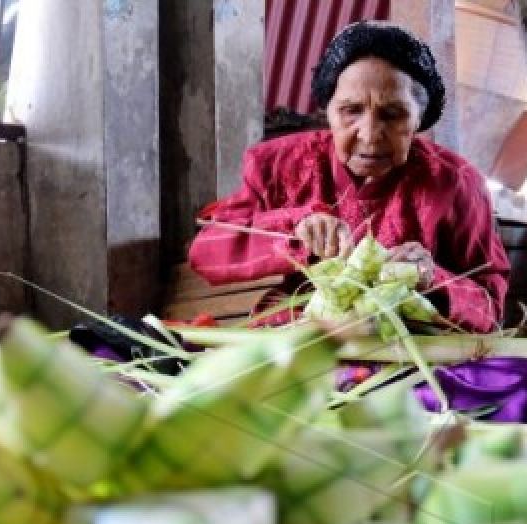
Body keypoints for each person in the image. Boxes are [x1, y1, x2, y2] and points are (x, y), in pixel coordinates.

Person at [188, 21, 509, 334]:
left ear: (418, 120)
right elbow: (207, 252)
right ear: (327, 111)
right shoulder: (276, 165)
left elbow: (491, 306)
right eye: (351, 110)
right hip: (293, 345)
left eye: (393, 114)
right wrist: (295, 229)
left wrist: (431, 278)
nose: (370, 135)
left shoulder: (456, 182)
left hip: (406, 350)